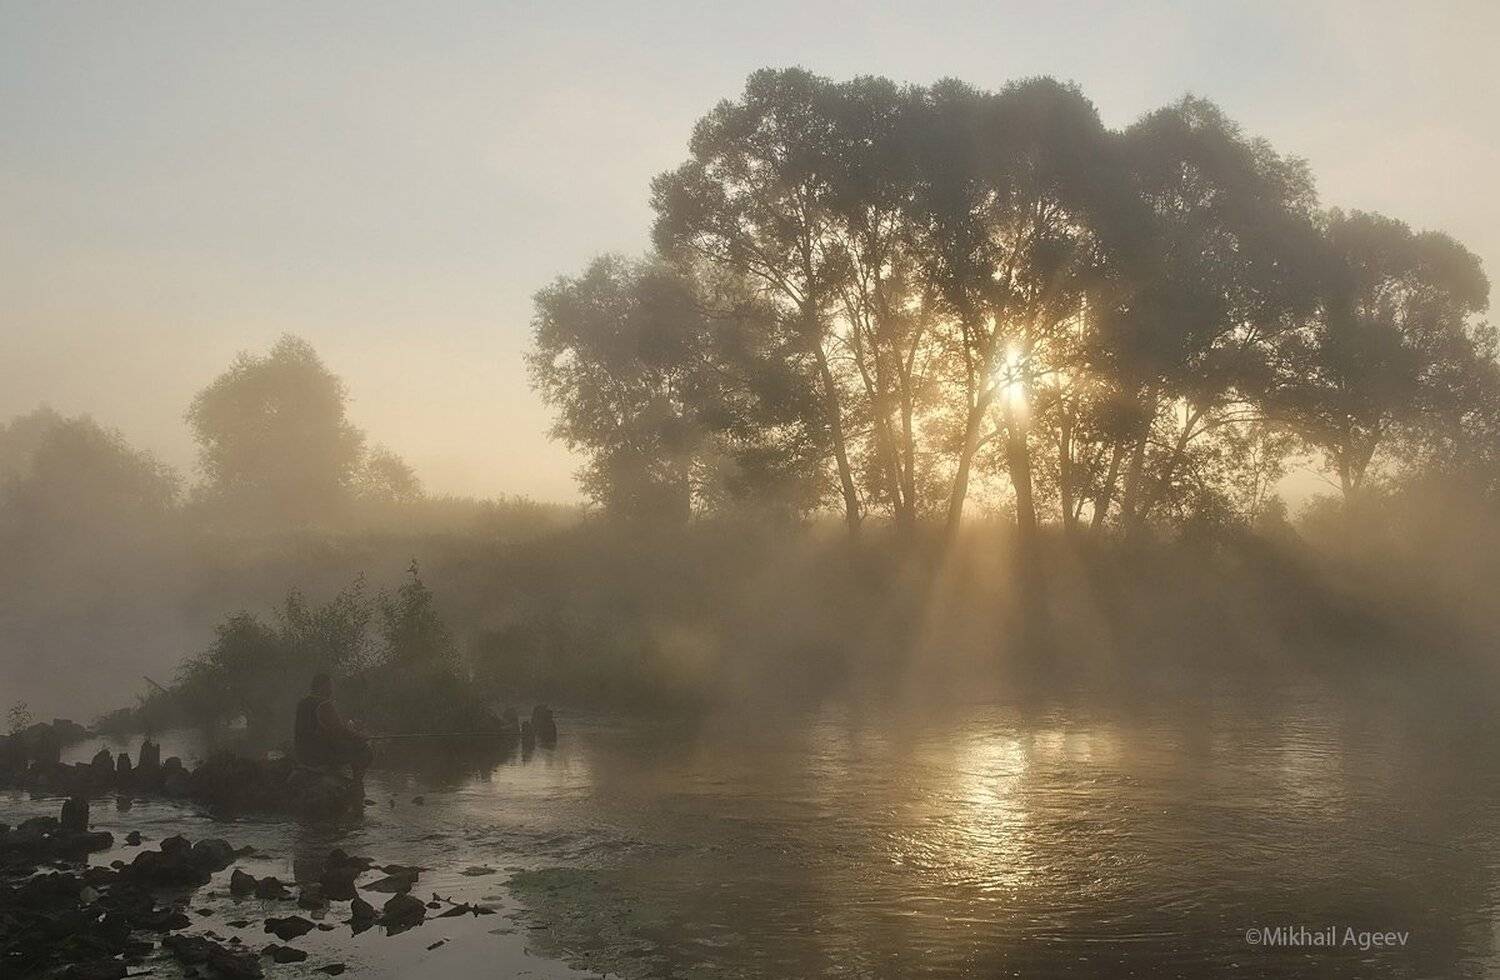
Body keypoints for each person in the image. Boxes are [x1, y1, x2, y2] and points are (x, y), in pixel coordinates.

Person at [294, 673, 373, 780]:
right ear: (323, 686)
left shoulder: (302, 703)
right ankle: (356, 784)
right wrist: (360, 736)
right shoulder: (324, 704)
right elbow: (340, 731)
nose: (332, 690)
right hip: (319, 754)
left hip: (302, 753)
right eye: (330, 686)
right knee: (364, 749)